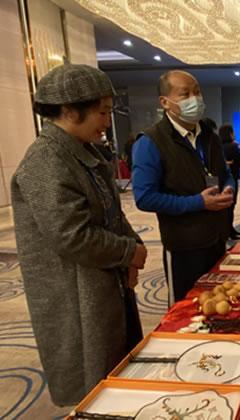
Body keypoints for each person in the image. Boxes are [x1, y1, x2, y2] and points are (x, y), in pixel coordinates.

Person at [11, 64, 147, 406]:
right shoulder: (45, 159)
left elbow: (112, 214)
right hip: (76, 292)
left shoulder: (81, 151)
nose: (107, 122)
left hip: (104, 282)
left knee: (116, 372)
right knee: (94, 384)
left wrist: (134, 245)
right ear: (70, 111)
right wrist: (128, 252)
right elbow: (72, 236)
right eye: (102, 112)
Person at [132, 70, 234, 305]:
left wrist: (229, 188)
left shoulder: (209, 135)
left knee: (219, 303)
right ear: (165, 102)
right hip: (184, 247)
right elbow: (145, 198)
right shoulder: (151, 141)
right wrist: (198, 202)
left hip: (217, 239)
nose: (194, 99)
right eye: (185, 94)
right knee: (186, 308)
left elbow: (226, 174)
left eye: (197, 92)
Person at [220, 124, 240, 239]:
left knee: (223, 207)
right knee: (231, 205)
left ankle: (225, 231)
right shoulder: (233, 146)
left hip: (220, 181)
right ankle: (230, 231)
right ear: (229, 133)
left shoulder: (219, 146)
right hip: (232, 179)